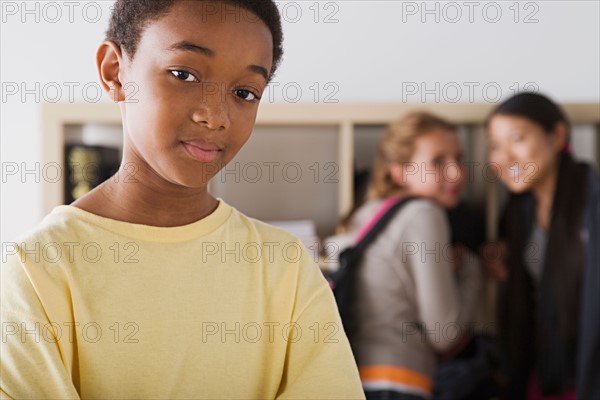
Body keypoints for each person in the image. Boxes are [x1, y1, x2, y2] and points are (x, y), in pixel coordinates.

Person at [0, 1, 364, 398]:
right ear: (114, 72)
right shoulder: (38, 268)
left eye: (244, 92)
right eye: (183, 74)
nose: (216, 115)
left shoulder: (287, 269)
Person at [328, 112, 483, 400]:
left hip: (354, 380)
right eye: (438, 162)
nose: (456, 173)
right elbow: (444, 332)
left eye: (458, 159)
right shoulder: (425, 213)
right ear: (399, 171)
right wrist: (473, 268)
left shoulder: (365, 215)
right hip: (399, 383)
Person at [486, 92, 600, 400]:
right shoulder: (519, 212)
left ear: (557, 135)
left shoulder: (592, 206)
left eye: (517, 139)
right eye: (495, 146)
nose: (504, 157)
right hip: (544, 373)